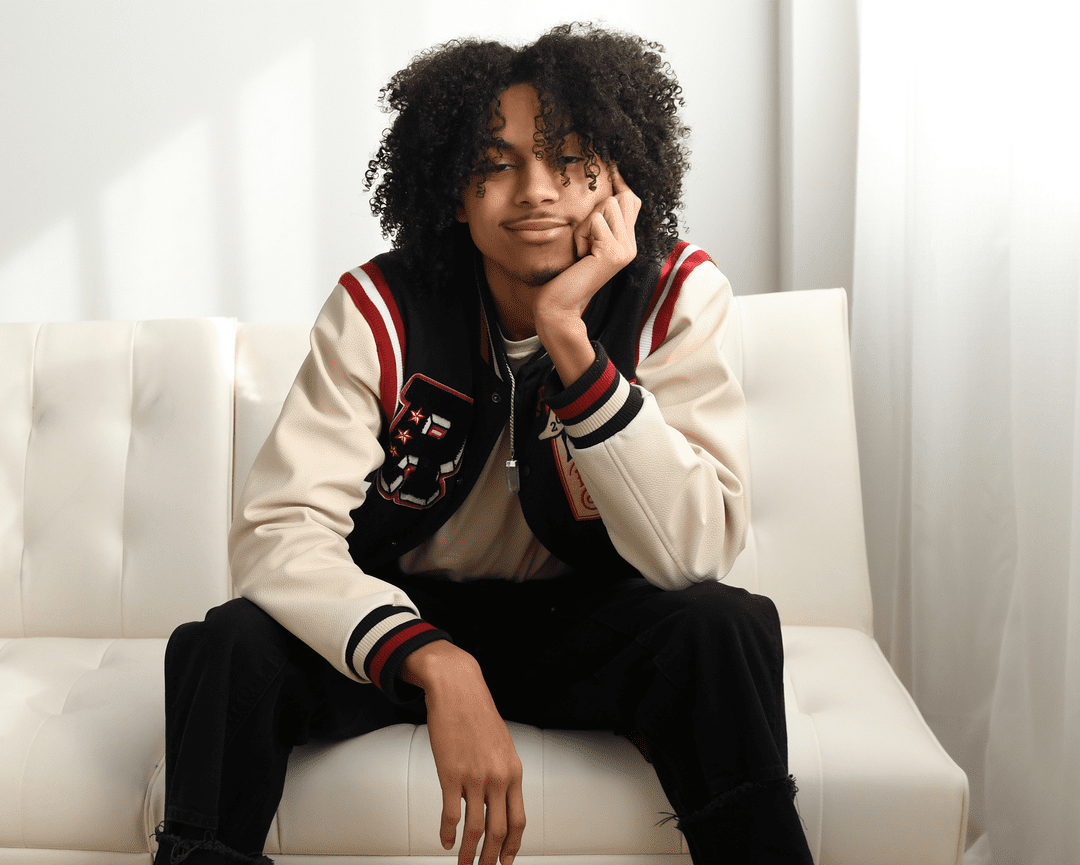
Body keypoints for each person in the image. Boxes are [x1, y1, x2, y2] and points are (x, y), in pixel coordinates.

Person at [155, 23, 813, 865]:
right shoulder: (379, 308)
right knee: (227, 642)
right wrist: (433, 659)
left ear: (619, 177)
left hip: (588, 620)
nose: (536, 191)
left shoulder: (677, 294)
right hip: (406, 615)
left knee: (724, 627)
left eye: (570, 157)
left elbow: (696, 547)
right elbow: (276, 533)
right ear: (453, 194)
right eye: (496, 164)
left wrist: (569, 341)